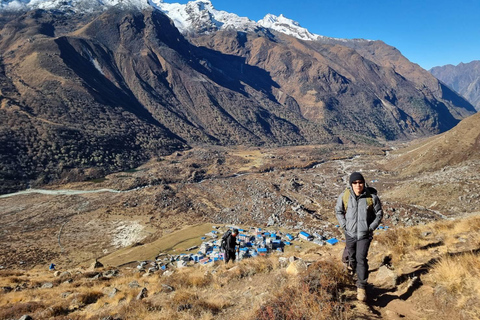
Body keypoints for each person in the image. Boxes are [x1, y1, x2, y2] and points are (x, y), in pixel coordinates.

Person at [335, 172, 383, 302]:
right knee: (352, 258)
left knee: (360, 258)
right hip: (350, 234)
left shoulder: (371, 197)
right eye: (355, 183)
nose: (358, 185)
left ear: (364, 183)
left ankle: (361, 287)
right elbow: (338, 211)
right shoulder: (344, 196)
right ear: (351, 184)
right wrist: (344, 226)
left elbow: (379, 214)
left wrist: (370, 227)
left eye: (360, 182)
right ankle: (359, 275)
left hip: (364, 235)